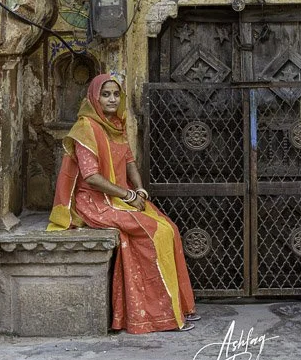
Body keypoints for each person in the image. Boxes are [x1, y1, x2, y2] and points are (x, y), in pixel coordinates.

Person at [48, 73, 198, 334]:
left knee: (170, 229)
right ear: (94, 97)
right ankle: (159, 316)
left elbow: (129, 162)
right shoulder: (85, 128)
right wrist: (128, 196)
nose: (112, 99)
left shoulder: (116, 125)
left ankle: (178, 308)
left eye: (116, 94)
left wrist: (138, 189)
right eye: (106, 94)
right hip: (94, 202)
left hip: (119, 197)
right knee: (153, 233)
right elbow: (91, 177)